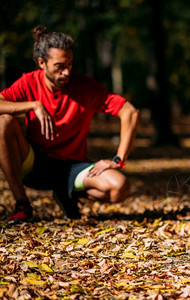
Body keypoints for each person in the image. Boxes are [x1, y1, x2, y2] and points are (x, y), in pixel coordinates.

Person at [0, 25, 139, 224]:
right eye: (59, 66)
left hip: (73, 167)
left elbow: (130, 112)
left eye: (70, 64)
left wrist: (118, 160)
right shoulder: (28, 82)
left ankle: (67, 195)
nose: (66, 72)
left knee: (119, 187)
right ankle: (22, 204)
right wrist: (33, 105)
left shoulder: (83, 86)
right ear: (42, 63)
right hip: (34, 163)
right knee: (3, 121)